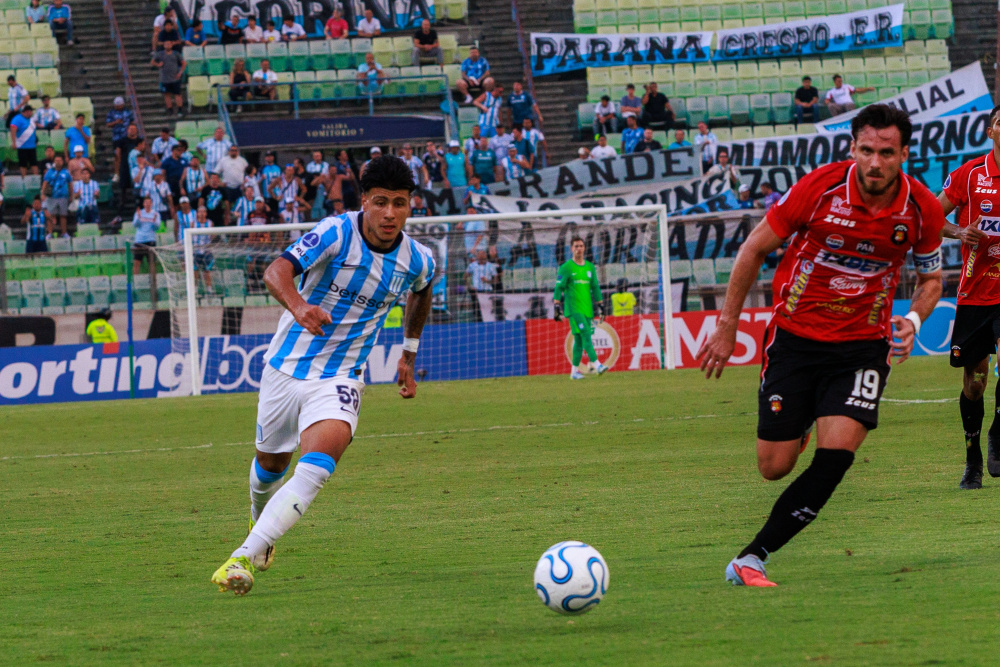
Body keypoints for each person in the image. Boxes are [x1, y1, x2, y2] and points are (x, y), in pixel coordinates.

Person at [695, 104, 945, 587]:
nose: (875, 163)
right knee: (774, 466)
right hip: (795, 340)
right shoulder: (819, 189)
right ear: (853, 148)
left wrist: (913, 317)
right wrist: (727, 327)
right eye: (867, 151)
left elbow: (930, 278)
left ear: (904, 154)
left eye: (886, 153)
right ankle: (804, 418)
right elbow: (754, 248)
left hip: (862, 348)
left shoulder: (922, 209)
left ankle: (752, 558)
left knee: (835, 459)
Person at [209, 155, 436, 596]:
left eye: (401, 204)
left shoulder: (418, 260)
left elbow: (422, 292)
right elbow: (276, 271)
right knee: (270, 465)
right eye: (382, 202)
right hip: (285, 369)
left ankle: (242, 556)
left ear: (411, 206)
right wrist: (300, 307)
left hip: (341, 377)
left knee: (317, 467)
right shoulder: (335, 232)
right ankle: (260, 518)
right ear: (365, 201)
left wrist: (408, 352)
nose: (390, 213)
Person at [937, 104, 1000, 489]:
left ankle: (998, 435)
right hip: (977, 292)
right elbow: (932, 217)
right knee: (975, 383)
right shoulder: (972, 174)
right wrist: (960, 233)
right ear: (990, 132)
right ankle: (973, 460)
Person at [554, 236, 608, 380]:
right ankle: (597, 365)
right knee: (585, 334)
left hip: (587, 309)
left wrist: (601, 305)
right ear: (571, 249)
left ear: (584, 248)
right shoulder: (566, 267)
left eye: (581, 246)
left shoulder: (590, 267)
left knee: (578, 340)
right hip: (573, 309)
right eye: (576, 246)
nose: (579, 249)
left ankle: (574, 373)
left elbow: (595, 287)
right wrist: (556, 307)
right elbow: (558, 288)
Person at [106, 97, 135, 182]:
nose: (118, 107)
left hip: (127, 137)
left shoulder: (128, 112)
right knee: (117, 155)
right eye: (117, 105)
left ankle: (131, 173)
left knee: (129, 155)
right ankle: (117, 174)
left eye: (119, 105)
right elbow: (108, 124)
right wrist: (115, 122)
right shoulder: (112, 113)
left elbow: (132, 122)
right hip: (117, 137)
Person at [42, 154, 72, 236]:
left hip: (63, 197)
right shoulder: (50, 172)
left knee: (63, 216)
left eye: (60, 160)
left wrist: (71, 195)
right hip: (52, 197)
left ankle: (64, 233)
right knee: (51, 216)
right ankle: (50, 233)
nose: (58, 162)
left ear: (62, 162)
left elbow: (70, 184)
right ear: (54, 162)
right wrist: (43, 194)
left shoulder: (66, 172)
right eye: (56, 161)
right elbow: (45, 183)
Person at [152, 46, 186, 117]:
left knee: (177, 94)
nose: (168, 44)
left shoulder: (176, 53)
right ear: (164, 45)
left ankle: (180, 109)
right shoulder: (160, 54)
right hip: (165, 79)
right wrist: (158, 64)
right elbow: (152, 62)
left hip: (175, 78)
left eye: (169, 43)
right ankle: (170, 109)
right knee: (167, 95)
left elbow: (183, 63)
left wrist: (180, 73)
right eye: (166, 43)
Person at [132, 196, 162, 275]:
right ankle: (135, 281)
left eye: (149, 203)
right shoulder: (139, 212)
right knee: (136, 262)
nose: (148, 204)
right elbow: (135, 225)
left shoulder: (156, 214)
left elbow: (157, 227)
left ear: (151, 204)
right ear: (143, 204)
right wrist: (138, 217)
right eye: (146, 203)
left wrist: (154, 221)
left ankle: (153, 282)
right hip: (140, 240)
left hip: (150, 239)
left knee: (151, 262)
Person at [11, 104, 38, 178]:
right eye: (30, 111)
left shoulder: (31, 119)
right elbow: (13, 130)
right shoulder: (17, 119)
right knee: (23, 164)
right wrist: (14, 142)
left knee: (34, 163)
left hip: (32, 145)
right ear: (26, 111)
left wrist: (36, 140)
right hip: (22, 146)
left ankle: (35, 179)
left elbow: (33, 131)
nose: (31, 113)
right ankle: (24, 179)